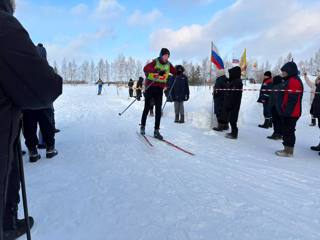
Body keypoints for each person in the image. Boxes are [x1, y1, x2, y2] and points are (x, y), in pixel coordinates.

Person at [0, 0, 63, 239]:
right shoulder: (5, 26)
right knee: (42, 123)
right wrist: (55, 79)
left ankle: (7, 222)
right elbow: (44, 88)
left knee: (32, 128)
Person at [140, 48, 176, 140]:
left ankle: (156, 131)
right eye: (164, 55)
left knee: (158, 110)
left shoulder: (168, 65)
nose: (166, 57)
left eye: (167, 56)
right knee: (147, 108)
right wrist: (156, 70)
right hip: (150, 87)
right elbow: (145, 68)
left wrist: (179, 71)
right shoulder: (155, 62)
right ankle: (142, 127)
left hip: (159, 89)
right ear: (161, 55)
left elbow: (175, 72)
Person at [275, 61, 303, 157]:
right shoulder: (289, 80)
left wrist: (286, 112)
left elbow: (292, 100)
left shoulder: (294, 81)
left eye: (284, 71)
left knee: (289, 131)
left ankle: (289, 151)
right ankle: (286, 148)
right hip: (288, 112)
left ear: (290, 71)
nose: (282, 73)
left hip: (291, 113)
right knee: (287, 130)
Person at [224, 66, 243, 139]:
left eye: (230, 73)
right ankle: (233, 132)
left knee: (233, 119)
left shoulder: (237, 82)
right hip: (231, 103)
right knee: (231, 118)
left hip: (234, 103)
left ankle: (234, 134)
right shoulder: (233, 81)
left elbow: (233, 94)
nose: (229, 75)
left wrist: (229, 104)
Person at [267, 75, 284, 140]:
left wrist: (270, 106)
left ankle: (276, 134)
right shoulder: (283, 86)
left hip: (275, 107)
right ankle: (280, 134)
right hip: (281, 107)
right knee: (280, 121)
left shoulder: (276, 87)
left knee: (276, 121)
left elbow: (273, 98)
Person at [310, 76, 320, 153]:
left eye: (318, 79)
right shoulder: (318, 87)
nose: (316, 80)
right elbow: (316, 99)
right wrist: (313, 109)